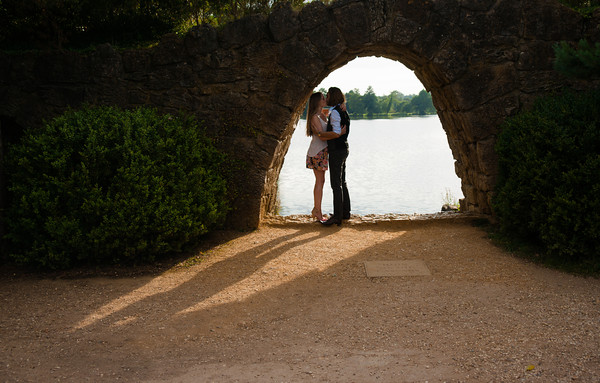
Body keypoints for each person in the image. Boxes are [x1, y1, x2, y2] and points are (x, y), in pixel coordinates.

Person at [305, 92, 346, 222]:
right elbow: (322, 136)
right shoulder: (314, 117)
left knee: (321, 182)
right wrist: (338, 134)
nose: (325, 100)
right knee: (320, 182)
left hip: (323, 152)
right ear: (318, 101)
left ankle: (316, 210)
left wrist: (343, 104)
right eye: (323, 98)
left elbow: (336, 107)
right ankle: (317, 211)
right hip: (317, 152)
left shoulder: (323, 114)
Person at [322, 87, 350, 226]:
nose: (326, 97)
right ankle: (345, 212)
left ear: (332, 97)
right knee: (342, 182)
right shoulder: (342, 110)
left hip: (336, 150)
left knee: (335, 184)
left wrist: (334, 134)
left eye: (327, 95)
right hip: (343, 148)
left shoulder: (334, 113)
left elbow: (337, 131)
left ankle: (338, 217)